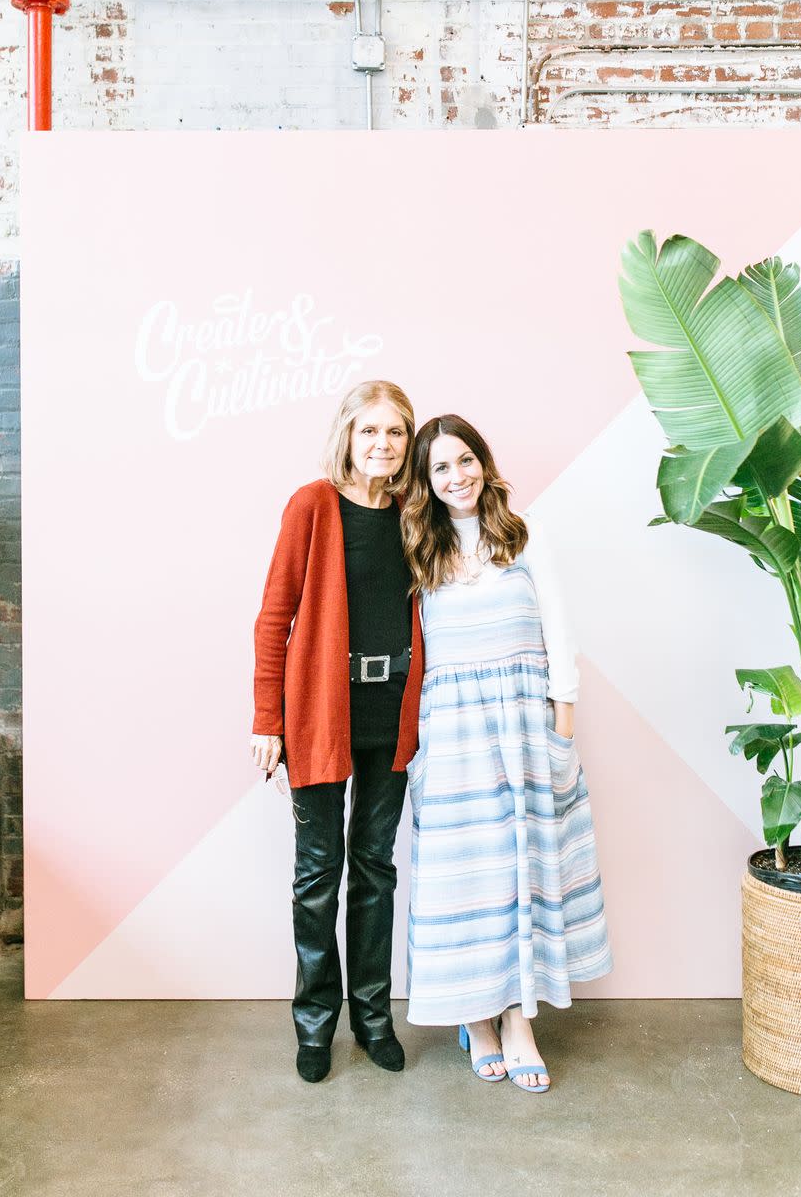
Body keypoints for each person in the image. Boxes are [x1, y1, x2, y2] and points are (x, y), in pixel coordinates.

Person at [401, 415, 612, 1092]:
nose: (456, 476)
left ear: (483, 464)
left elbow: (559, 628)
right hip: (454, 737)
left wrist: (564, 727)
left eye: (465, 460)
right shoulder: (418, 553)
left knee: (523, 874)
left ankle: (520, 1020)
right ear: (426, 483)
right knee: (472, 881)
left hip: (525, 728)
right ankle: (479, 1019)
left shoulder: (523, 536)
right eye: (440, 468)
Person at [251, 380, 424, 1084]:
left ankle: (374, 1017)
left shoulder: (420, 512)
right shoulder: (312, 506)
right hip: (321, 711)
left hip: (393, 712)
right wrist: (268, 720)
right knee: (318, 873)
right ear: (347, 436)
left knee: (376, 870)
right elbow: (274, 618)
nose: (382, 445)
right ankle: (316, 1025)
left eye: (396, 433)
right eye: (370, 431)